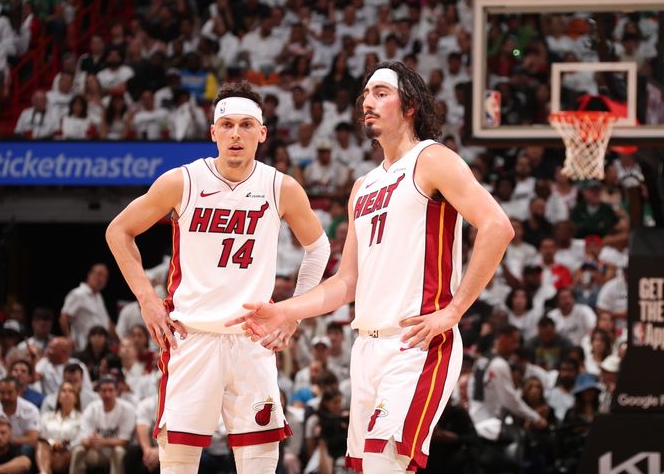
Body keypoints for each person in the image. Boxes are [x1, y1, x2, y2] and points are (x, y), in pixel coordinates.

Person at [229, 61, 515, 472]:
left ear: (410, 104)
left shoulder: (432, 159)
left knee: (385, 464)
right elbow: (346, 283)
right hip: (366, 347)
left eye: (381, 93)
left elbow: (496, 227)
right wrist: (284, 310)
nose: (368, 101)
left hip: (417, 343)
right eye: (366, 94)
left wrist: (453, 311)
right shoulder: (362, 186)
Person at [105, 80, 329, 474]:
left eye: (246, 125)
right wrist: (147, 300)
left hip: (252, 339)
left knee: (259, 460)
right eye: (227, 125)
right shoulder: (183, 181)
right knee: (177, 462)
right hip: (192, 336)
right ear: (213, 132)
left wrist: (293, 314)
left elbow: (319, 248)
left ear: (262, 132)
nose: (236, 134)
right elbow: (118, 231)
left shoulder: (281, 187)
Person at [70, 376, 135, 474]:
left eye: (111, 390)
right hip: (96, 452)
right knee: (78, 450)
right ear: (99, 392)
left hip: (115, 453)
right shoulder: (92, 408)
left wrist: (104, 441)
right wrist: (89, 441)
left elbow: (125, 441)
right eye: (104, 390)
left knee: (119, 451)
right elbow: (83, 438)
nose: (107, 394)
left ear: (117, 392)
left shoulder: (127, 409)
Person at [60, 263, 118, 352]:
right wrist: (69, 338)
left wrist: (119, 341)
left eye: (105, 276)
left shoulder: (99, 297)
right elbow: (64, 318)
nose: (101, 279)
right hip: (84, 347)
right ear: (90, 275)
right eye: (99, 274)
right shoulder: (78, 294)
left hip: (102, 348)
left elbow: (107, 322)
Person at [0, 377, 40, 447]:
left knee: (27, 448)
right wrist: (1, 441)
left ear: (18, 393)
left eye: (10, 393)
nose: (6, 397)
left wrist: (6, 441)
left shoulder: (30, 410)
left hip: (19, 447)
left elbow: (32, 439)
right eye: (2, 393)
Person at [36, 382, 82, 474]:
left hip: (68, 452)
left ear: (76, 398)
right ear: (59, 398)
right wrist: (53, 444)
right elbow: (41, 436)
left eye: (70, 391)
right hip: (48, 451)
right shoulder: (47, 417)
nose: (66, 393)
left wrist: (64, 445)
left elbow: (80, 439)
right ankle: (44, 472)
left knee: (67, 454)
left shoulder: (82, 418)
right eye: (63, 391)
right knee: (41, 445)